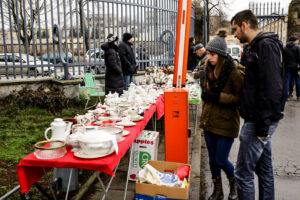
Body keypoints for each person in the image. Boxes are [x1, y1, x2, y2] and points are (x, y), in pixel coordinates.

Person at [231, 10, 285, 200]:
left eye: (235, 29)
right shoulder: (256, 46)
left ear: (244, 25)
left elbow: (272, 88)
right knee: (264, 170)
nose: (234, 33)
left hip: (258, 121)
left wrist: (263, 124)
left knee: (243, 173)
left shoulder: (266, 46)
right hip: (260, 118)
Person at [199, 30, 244, 200]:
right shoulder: (208, 69)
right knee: (212, 160)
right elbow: (206, 90)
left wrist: (218, 97)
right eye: (208, 54)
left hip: (226, 123)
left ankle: (234, 183)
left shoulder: (234, 71)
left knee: (221, 159)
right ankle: (218, 191)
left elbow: (241, 98)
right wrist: (205, 92)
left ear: (221, 55)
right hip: (210, 121)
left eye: (212, 54)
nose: (208, 58)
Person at [283, 36, 300, 101]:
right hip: (296, 67)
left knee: (287, 81)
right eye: (297, 41)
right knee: (298, 81)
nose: (298, 42)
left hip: (287, 67)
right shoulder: (297, 47)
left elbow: (283, 58)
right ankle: (298, 95)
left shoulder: (285, 48)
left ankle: (287, 96)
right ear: (295, 40)